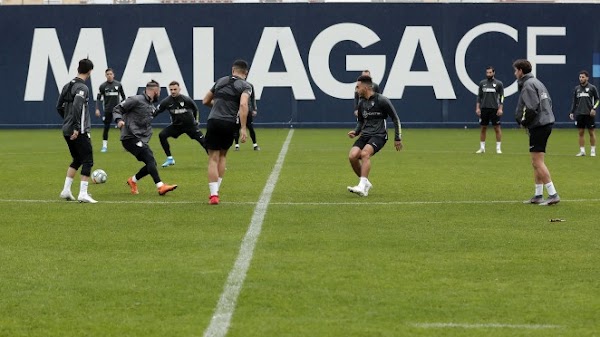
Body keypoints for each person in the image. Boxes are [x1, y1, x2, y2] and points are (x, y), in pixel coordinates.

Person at [113, 80, 177, 196]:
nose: (159, 94)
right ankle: (160, 186)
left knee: (151, 163)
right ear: (155, 91)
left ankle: (132, 180)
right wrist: (119, 120)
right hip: (129, 137)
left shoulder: (150, 105)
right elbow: (118, 108)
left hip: (139, 139)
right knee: (150, 158)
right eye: (159, 92)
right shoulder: (136, 99)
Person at [202, 59, 252, 205]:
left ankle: (213, 195)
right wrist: (243, 127)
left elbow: (205, 100)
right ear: (246, 73)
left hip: (213, 121)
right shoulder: (246, 86)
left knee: (213, 158)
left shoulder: (220, 81)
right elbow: (243, 104)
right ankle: (216, 191)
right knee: (223, 155)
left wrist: (217, 106)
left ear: (233, 70)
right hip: (230, 123)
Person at [513, 59, 560, 206]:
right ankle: (538, 195)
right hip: (545, 123)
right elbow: (549, 102)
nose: (515, 73)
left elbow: (532, 108)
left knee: (537, 162)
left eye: (515, 70)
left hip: (539, 125)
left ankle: (553, 194)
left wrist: (524, 122)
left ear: (521, 71)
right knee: (537, 162)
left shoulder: (527, 85)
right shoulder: (537, 82)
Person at [347, 75, 402, 197]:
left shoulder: (382, 100)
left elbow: (395, 119)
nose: (356, 90)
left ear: (366, 87)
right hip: (365, 135)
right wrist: (355, 132)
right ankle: (365, 182)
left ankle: (361, 186)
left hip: (379, 135)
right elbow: (360, 121)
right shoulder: (361, 103)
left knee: (364, 154)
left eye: (358, 87)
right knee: (352, 156)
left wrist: (397, 137)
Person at [56, 58, 97, 203]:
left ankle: (66, 190)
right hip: (78, 130)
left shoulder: (67, 86)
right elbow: (77, 107)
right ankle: (83, 193)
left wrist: (67, 121)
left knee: (77, 159)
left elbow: (59, 106)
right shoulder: (83, 88)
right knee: (88, 160)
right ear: (90, 71)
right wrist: (76, 127)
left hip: (67, 129)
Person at [155, 81, 207, 167]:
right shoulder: (167, 101)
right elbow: (157, 111)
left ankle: (215, 162)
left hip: (190, 126)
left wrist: (196, 120)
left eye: (175, 89)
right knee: (162, 135)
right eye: (171, 89)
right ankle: (170, 159)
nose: (173, 91)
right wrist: (148, 118)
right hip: (177, 126)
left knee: (204, 142)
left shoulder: (186, 99)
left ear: (179, 89)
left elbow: (195, 109)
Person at [95, 68, 126, 153]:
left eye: (110, 74)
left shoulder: (118, 85)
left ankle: (125, 145)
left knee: (122, 127)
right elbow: (98, 98)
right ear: (105, 75)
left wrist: (123, 107)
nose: (109, 75)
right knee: (106, 128)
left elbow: (124, 97)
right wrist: (97, 109)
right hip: (108, 110)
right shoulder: (103, 86)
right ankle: (104, 146)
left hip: (117, 111)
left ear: (113, 75)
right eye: (107, 74)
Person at [569, 70, 599, 157]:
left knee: (591, 132)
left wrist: (594, 108)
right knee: (581, 132)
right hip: (580, 114)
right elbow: (574, 101)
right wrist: (572, 111)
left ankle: (593, 150)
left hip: (589, 114)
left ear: (587, 78)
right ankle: (582, 151)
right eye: (580, 77)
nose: (581, 79)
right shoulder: (577, 89)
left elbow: (597, 99)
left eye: (583, 77)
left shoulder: (592, 88)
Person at [475, 66, 504, 154]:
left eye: (490, 72)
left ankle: (498, 148)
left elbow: (502, 97)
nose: (488, 74)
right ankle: (482, 148)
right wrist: (477, 108)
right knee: (483, 128)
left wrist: (500, 108)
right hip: (484, 109)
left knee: (497, 128)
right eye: (487, 72)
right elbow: (479, 96)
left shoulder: (499, 83)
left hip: (494, 109)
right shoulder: (482, 83)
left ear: (493, 73)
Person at [233, 81, 260, 151]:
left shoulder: (249, 85)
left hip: (248, 110)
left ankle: (255, 145)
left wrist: (254, 108)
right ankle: (236, 145)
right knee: (236, 128)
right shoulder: (234, 85)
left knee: (250, 127)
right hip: (237, 110)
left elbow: (252, 97)